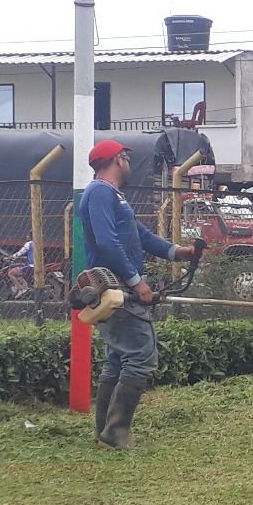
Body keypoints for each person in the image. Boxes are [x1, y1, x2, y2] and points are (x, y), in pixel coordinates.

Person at [79, 139, 200, 449]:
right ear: (119, 160)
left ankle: (106, 431)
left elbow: (139, 235)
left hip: (118, 287)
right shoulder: (100, 193)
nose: (129, 164)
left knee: (119, 358)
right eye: (126, 158)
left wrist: (177, 252)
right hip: (117, 287)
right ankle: (115, 433)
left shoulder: (112, 196)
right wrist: (137, 283)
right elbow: (107, 244)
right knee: (142, 357)